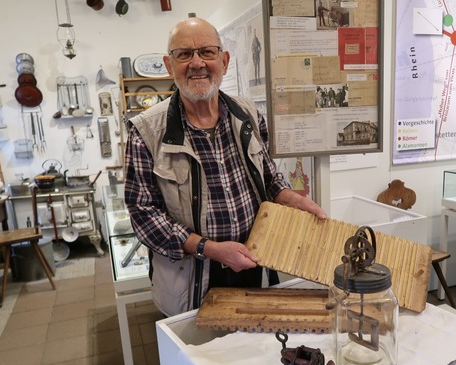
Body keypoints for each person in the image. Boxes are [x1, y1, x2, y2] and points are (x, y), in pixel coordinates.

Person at [124, 17, 326, 316]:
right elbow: (144, 215)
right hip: (193, 278)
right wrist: (210, 248)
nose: (197, 63)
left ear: (224, 60)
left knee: (255, 350)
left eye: (207, 52)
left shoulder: (248, 114)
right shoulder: (146, 132)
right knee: (199, 356)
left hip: (253, 260)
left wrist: (291, 197)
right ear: (169, 66)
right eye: (184, 54)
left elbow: (268, 177)